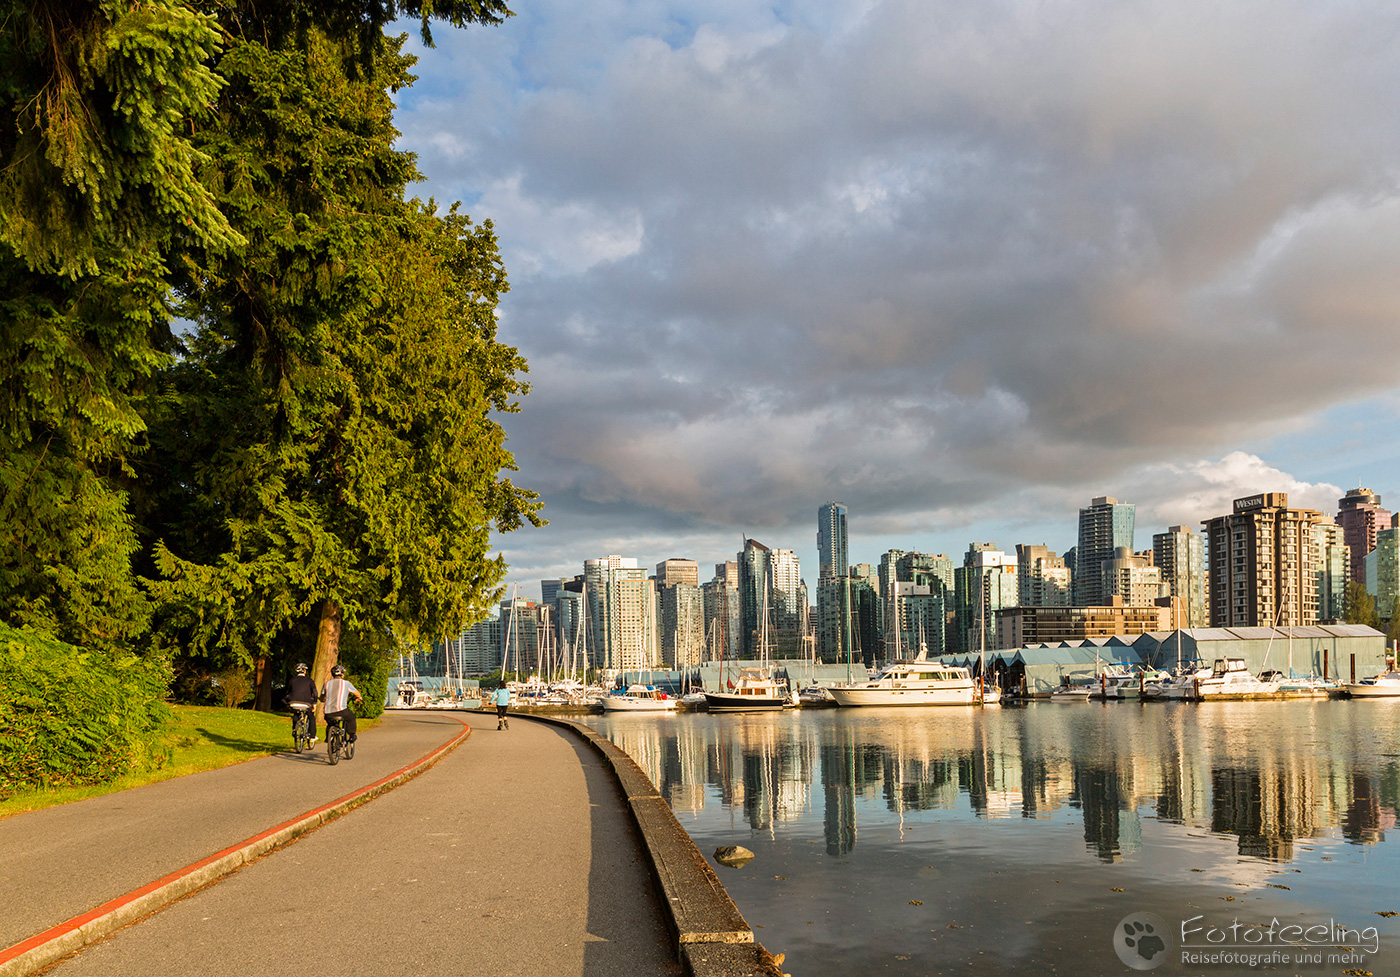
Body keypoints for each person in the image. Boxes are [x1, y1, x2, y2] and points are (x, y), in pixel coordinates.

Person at [322, 664, 363, 751]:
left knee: (330, 723)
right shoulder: (346, 683)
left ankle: (329, 738)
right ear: (343, 675)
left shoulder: (326, 684)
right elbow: (357, 693)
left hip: (328, 711)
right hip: (341, 710)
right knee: (351, 717)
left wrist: (323, 699)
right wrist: (359, 698)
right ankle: (352, 736)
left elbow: (322, 697)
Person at [285, 663, 319, 747]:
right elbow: (315, 693)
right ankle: (312, 736)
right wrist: (314, 703)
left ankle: (294, 729)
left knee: (296, 713)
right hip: (306, 703)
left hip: (293, 703)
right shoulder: (310, 681)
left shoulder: (292, 680)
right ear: (305, 671)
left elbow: (288, 692)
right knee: (311, 716)